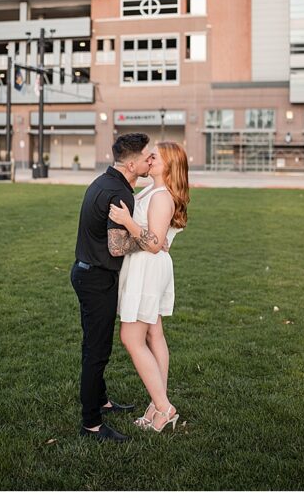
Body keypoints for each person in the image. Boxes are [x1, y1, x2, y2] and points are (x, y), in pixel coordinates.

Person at [71, 132, 153, 443]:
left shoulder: (104, 181)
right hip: (96, 279)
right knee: (97, 351)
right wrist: (149, 240)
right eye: (147, 157)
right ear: (131, 165)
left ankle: (101, 400)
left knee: (93, 345)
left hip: (86, 272)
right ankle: (91, 424)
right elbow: (117, 247)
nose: (150, 161)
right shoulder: (119, 193)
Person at [109, 141, 190, 434]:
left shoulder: (162, 197)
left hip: (148, 267)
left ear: (169, 165)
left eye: (155, 156)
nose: (150, 158)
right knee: (154, 333)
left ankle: (164, 408)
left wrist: (127, 221)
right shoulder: (153, 191)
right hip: (145, 266)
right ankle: (157, 406)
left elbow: (155, 244)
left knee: (131, 337)